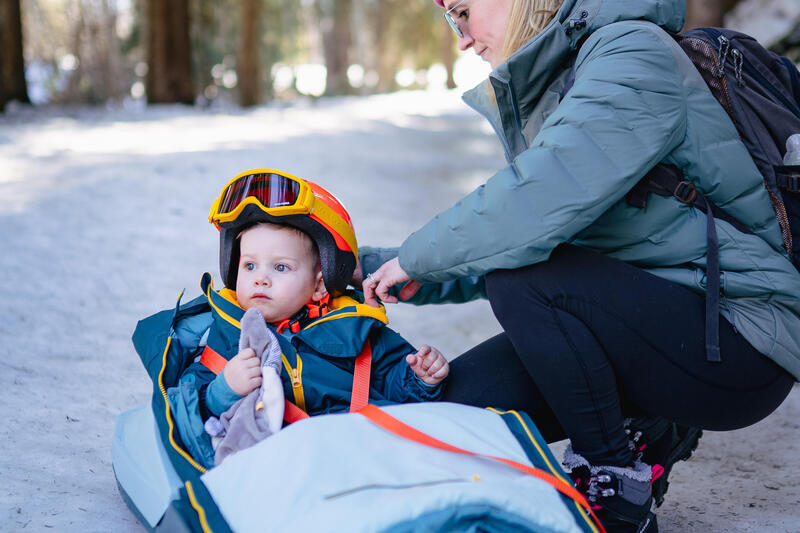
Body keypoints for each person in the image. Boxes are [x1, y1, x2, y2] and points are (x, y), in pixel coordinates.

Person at [357, 1, 800, 532]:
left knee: (522, 283)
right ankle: (646, 426)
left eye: (463, 12)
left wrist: (414, 258)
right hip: (653, 323)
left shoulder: (631, 56)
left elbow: (530, 210)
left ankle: (614, 481)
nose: (463, 39)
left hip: (738, 340)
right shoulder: (559, 80)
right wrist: (368, 269)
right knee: (445, 412)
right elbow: (535, 242)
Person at [161, 168, 449, 468]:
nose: (261, 279)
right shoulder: (225, 333)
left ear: (319, 285)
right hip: (277, 469)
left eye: (281, 267)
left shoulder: (356, 331)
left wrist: (419, 379)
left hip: (361, 458)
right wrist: (224, 389)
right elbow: (187, 407)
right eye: (249, 266)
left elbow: (394, 391)